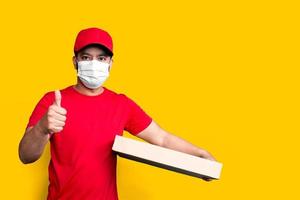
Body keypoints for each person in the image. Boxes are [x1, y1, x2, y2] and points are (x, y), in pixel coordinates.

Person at [18, 27, 217, 200]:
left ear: (110, 63)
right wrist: (43, 128)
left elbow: (162, 138)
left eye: (101, 58)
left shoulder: (121, 104)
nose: (94, 63)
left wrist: (199, 154)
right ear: (75, 61)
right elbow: (25, 156)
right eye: (86, 57)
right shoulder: (53, 100)